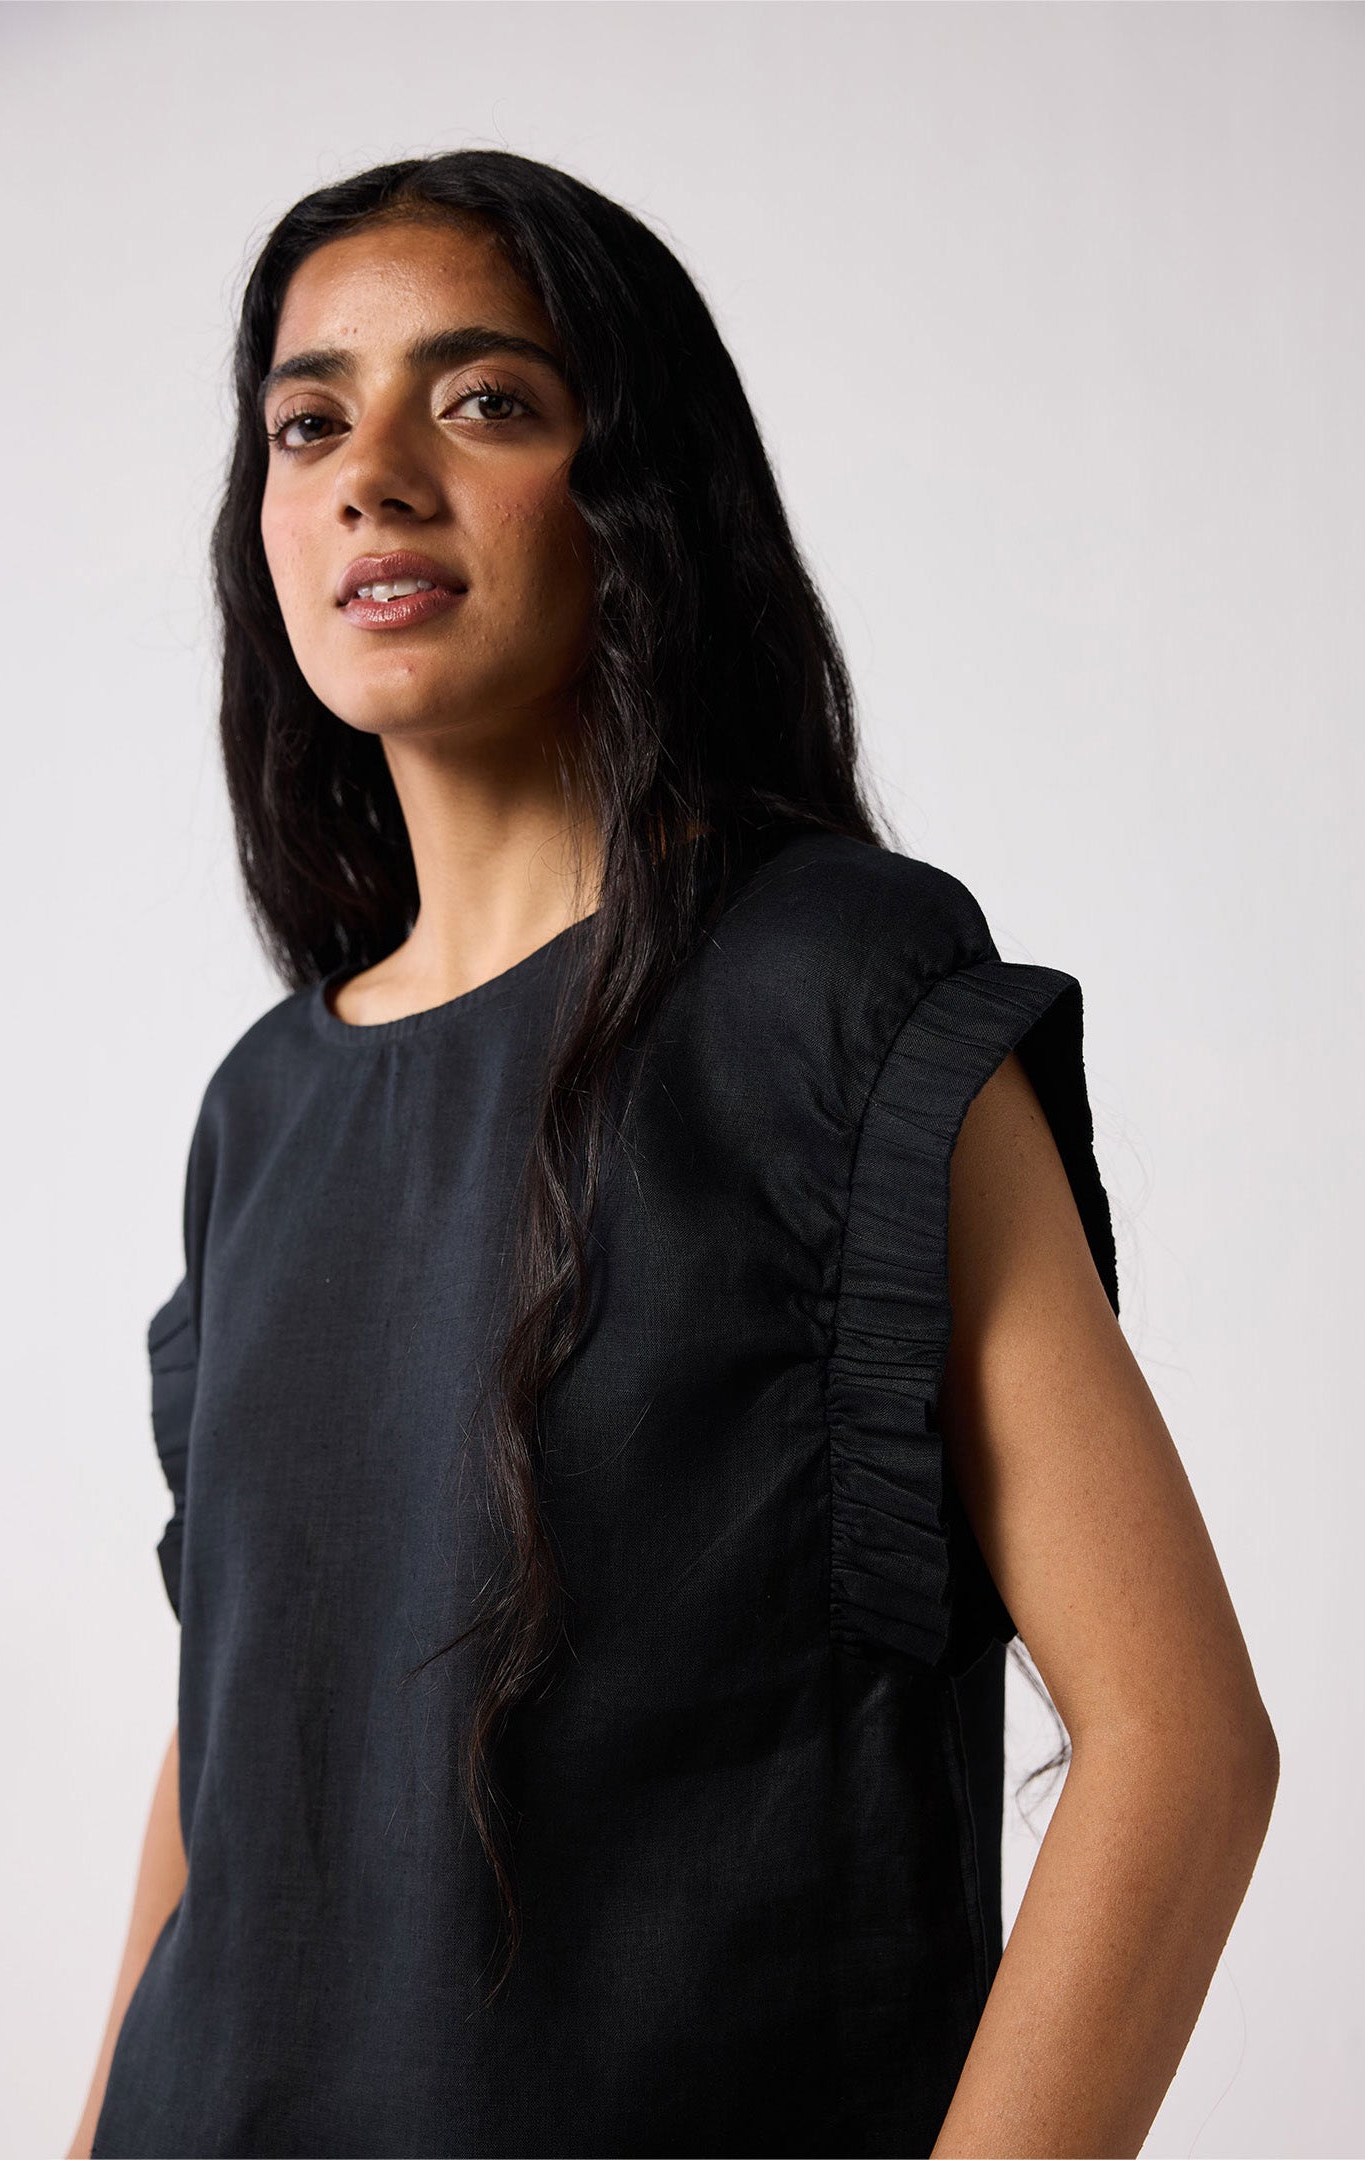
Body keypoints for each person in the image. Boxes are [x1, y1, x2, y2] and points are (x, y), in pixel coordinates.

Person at [69, 149, 1278, 2160]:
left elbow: (1181, 1747)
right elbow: (233, 1763)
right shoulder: (259, 1110)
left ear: (636, 494)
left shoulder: (828, 999)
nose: (372, 477)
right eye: (308, 422)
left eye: (485, 400)